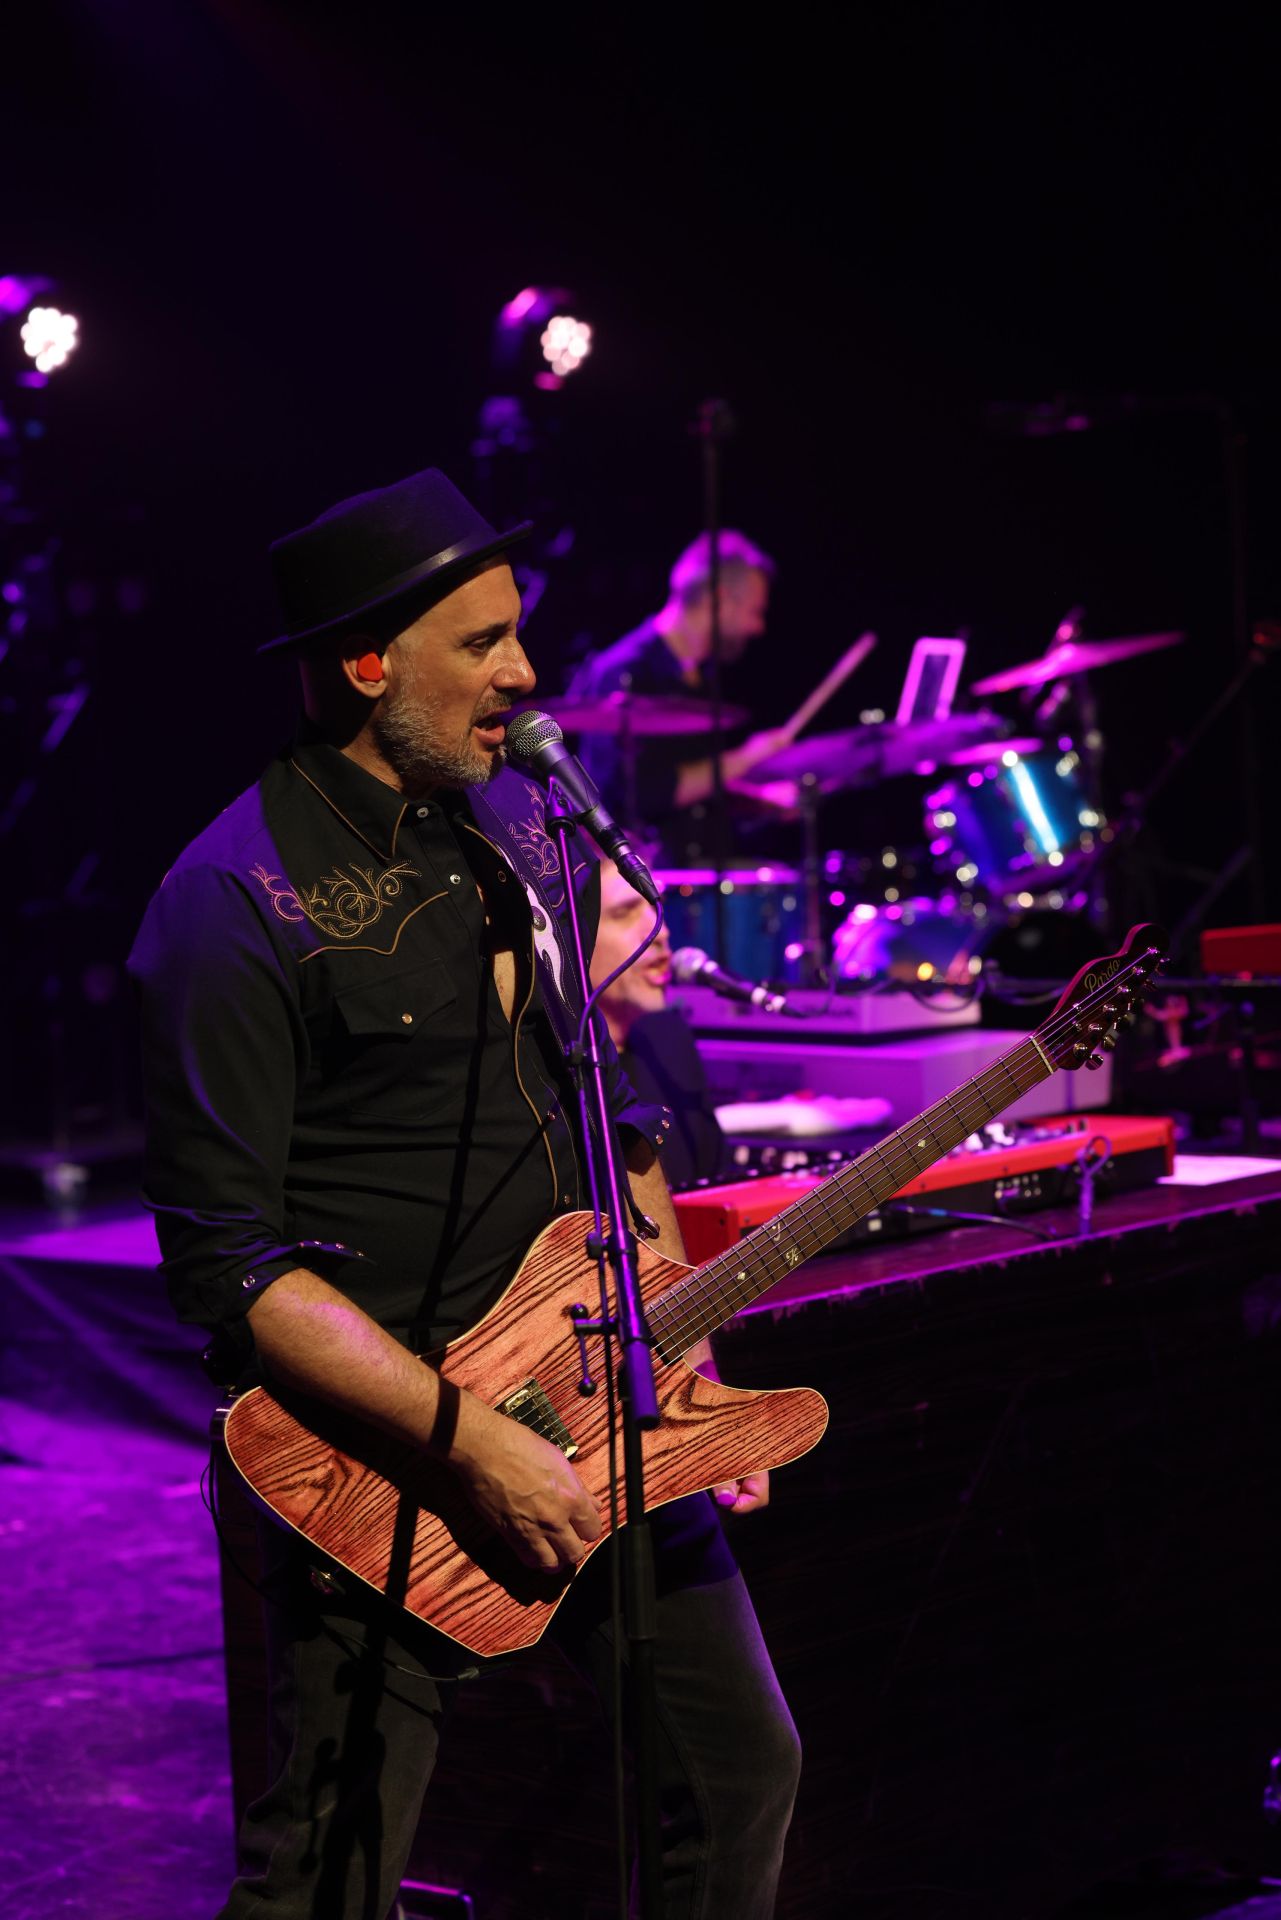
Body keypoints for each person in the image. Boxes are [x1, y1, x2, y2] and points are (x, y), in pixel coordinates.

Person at [127, 466, 798, 1920]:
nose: (527, 674)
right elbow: (233, 1270)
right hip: (376, 1471)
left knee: (737, 1773)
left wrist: (675, 1332)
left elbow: (605, 1109)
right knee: (331, 1877)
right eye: (484, 643)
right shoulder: (228, 906)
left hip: (592, 1399)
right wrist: (465, 1443)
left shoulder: (516, 834)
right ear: (370, 664)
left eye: (518, 636)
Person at [567, 530, 795, 855]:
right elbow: (643, 793)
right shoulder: (625, 672)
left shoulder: (702, 675)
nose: (758, 627)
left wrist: (757, 801)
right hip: (643, 883)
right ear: (717, 598)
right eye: (754, 611)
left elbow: (694, 787)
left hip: (704, 873)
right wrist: (747, 756)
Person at [590, 855, 731, 1192]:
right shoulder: (559, 1072)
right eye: (624, 913)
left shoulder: (669, 1038)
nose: (660, 931)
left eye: (656, 906)